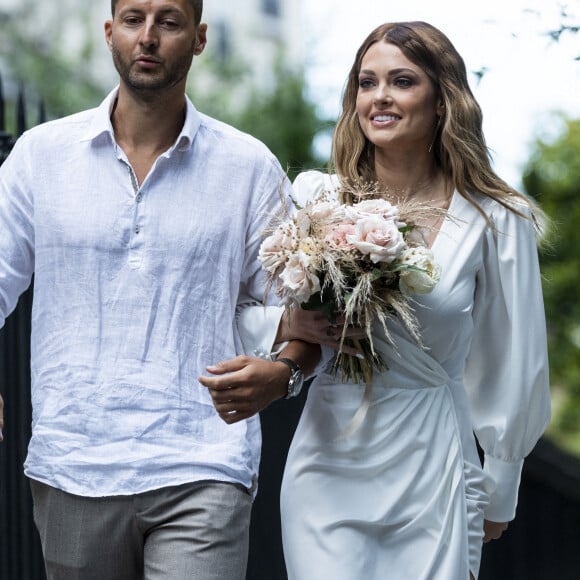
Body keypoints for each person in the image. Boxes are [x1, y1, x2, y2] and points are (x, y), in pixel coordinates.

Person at [0, 0, 319, 578]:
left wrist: (286, 372)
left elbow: (306, 309)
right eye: (133, 19)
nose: (148, 36)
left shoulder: (248, 168)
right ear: (109, 32)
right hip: (74, 460)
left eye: (169, 22)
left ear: (198, 39)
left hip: (203, 462)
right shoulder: (39, 157)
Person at [240, 21, 551, 580]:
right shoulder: (317, 201)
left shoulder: (497, 220)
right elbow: (243, 307)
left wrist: (500, 479)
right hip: (328, 460)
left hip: (435, 458)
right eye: (367, 82)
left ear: (442, 101)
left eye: (401, 81)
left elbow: (515, 355)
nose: (379, 97)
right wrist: (294, 323)